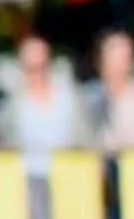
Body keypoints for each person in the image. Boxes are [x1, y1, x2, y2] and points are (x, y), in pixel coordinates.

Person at [6, 33, 86, 174]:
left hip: (69, 173)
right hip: (29, 176)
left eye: (41, 66)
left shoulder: (68, 96)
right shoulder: (13, 104)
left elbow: (83, 136)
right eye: (31, 68)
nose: (37, 72)